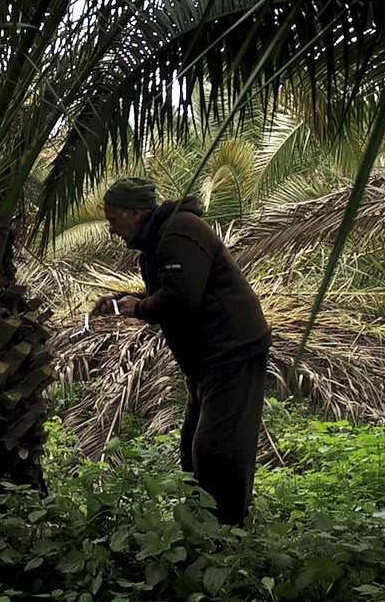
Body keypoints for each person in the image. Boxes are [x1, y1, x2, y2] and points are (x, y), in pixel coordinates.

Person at [92, 177, 271, 526]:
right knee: (194, 448)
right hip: (207, 361)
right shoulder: (159, 237)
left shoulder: (178, 232)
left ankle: (229, 535)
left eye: (114, 220)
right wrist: (124, 301)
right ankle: (203, 526)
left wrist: (139, 309)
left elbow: (181, 298)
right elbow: (176, 291)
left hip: (232, 353)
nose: (111, 230)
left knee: (217, 450)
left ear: (136, 213)